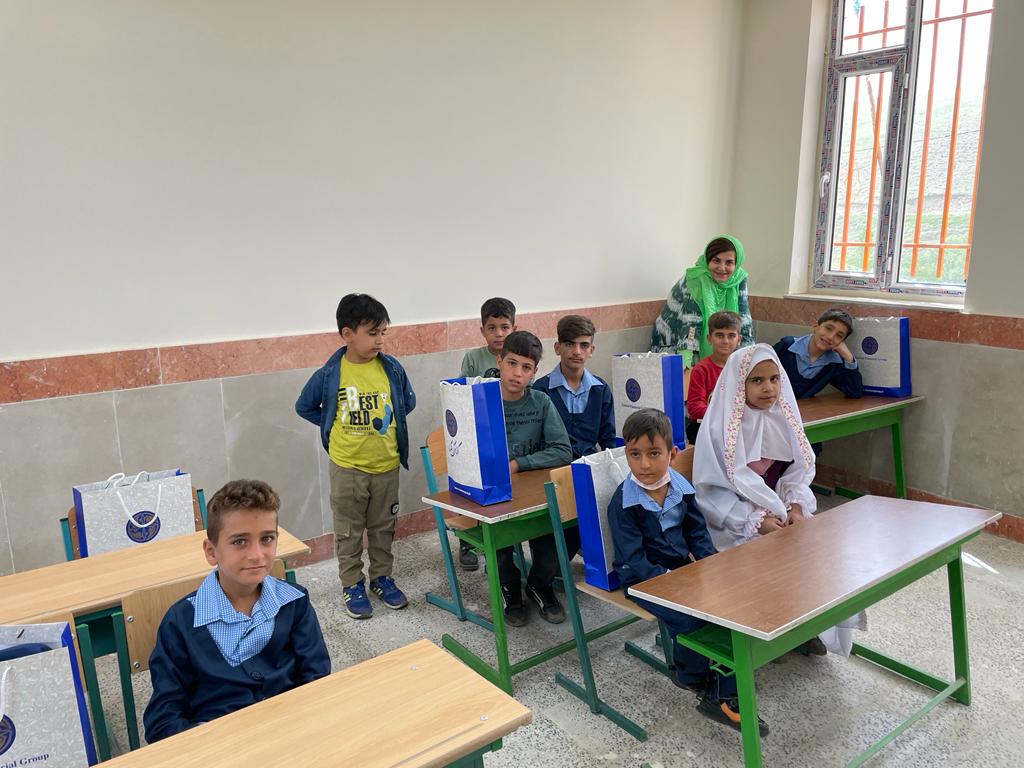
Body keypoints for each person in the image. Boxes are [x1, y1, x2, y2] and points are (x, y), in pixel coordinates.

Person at [607, 409, 768, 736]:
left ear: (672, 454)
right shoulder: (623, 502)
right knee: (695, 619)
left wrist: (711, 567)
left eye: (654, 454)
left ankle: (701, 676)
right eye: (634, 455)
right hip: (643, 581)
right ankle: (715, 692)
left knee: (730, 606)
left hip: (681, 573)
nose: (644, 464)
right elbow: (633, 559)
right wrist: (672, 580)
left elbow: (696, 533)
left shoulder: (681, 488)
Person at [143, 480, 330, 742]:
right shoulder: (180, 623)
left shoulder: (294, 602)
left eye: (267, 539)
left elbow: (318, 683)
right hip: (218, 747)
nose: (257, 554)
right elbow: (162, 721)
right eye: (240, 541)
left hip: (291, 736)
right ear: (211, 552)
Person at [295, 293, 416, 619]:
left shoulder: (391, 368)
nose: (380, 340)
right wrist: (334, 425)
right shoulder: (330, 373)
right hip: (347, 468)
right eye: (372, 333)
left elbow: (407, 402)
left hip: (387, 465)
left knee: (383, 527)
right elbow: (304, 406)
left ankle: (382, 578)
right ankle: (352, 584)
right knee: (348, 531)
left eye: (383, 332)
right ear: (347, 334)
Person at [693, 343, 816, 552]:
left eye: (774, 379)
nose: (769, 388)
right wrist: (755, 521)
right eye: (757, 380)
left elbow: (799, 471)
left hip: (783, 516)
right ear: (738, 382)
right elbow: (711, 491)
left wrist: (795, 507)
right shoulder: (720, 427)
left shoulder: (783, 418)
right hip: (735, 526)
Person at [494, 331, 573, 626]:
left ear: (535, 371)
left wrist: (519, 464)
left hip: (534, 492)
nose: (518, 373)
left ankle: (539, 584)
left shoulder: (540, 402)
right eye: (512, 363)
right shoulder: (482, 401)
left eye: (526, 367)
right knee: (498, 538)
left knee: (559, 529)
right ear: (499, 361)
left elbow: (563, 450)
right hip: (495, 495)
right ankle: (509, 587)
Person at [651, 235, 754, 365]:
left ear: (736, 263)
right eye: (716, 261)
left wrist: (749, 360)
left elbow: (744, 320)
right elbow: (691, 326)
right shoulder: (695, 279)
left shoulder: (738, 278)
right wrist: (686, 366)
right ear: (707, 260)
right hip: (672, 346)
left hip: (707, 340)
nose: (722, 268)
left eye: (729, 262)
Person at [532, 314, 616, 460]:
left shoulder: (601, 390)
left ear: (591, 350)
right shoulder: (540, 389)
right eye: (570, 344)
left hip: (590, 466)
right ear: (557, 348)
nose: (577, 351)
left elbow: (609, 442)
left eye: (584, 345)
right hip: (551, 466)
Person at [773, 308, 863, 399]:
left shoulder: (834, 363)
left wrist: (849, 358)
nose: (831, 337)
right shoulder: (787, 346)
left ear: (841, 342)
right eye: (828, 328)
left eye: (839, 336)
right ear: (815, 326)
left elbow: (854, 392)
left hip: (804, 407)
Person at [685, 310, 743, 444]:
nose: (725, 341)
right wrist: (724, 416)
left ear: (739, 340)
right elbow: (695, 407)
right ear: (709, 339)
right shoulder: (701, 369)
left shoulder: (744, 368)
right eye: (719, 335)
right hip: (703, 427)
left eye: (731, 336)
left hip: (735, 427)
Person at [460, 297, 518, 379]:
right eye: (492, 328)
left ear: (513, 330)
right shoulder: (472, 358)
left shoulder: (520, 357)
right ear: (483, 331)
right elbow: (463, 386)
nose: (499, 334)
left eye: (504, 327)